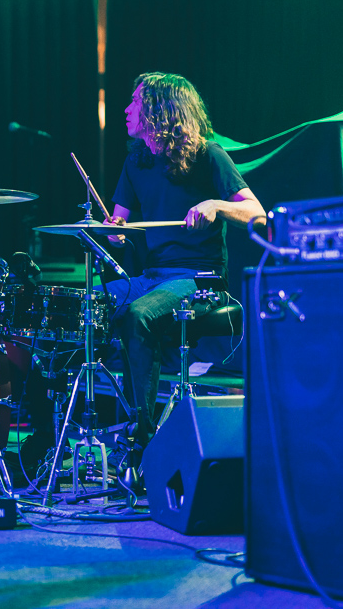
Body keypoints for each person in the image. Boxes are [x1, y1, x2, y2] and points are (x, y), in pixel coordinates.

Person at [103, 72, 265, 445]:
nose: (127, 109)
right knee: (87, 308)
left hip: (199, 278)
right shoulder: (136, 163)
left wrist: (217, 204)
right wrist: (114, 230)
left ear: (159, 110)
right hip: (153, 276)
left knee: (139, 314)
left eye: (135, 102)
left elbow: (258, 214)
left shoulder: (208, 156)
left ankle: (141, 441)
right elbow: (119, 225)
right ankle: (56, 434)